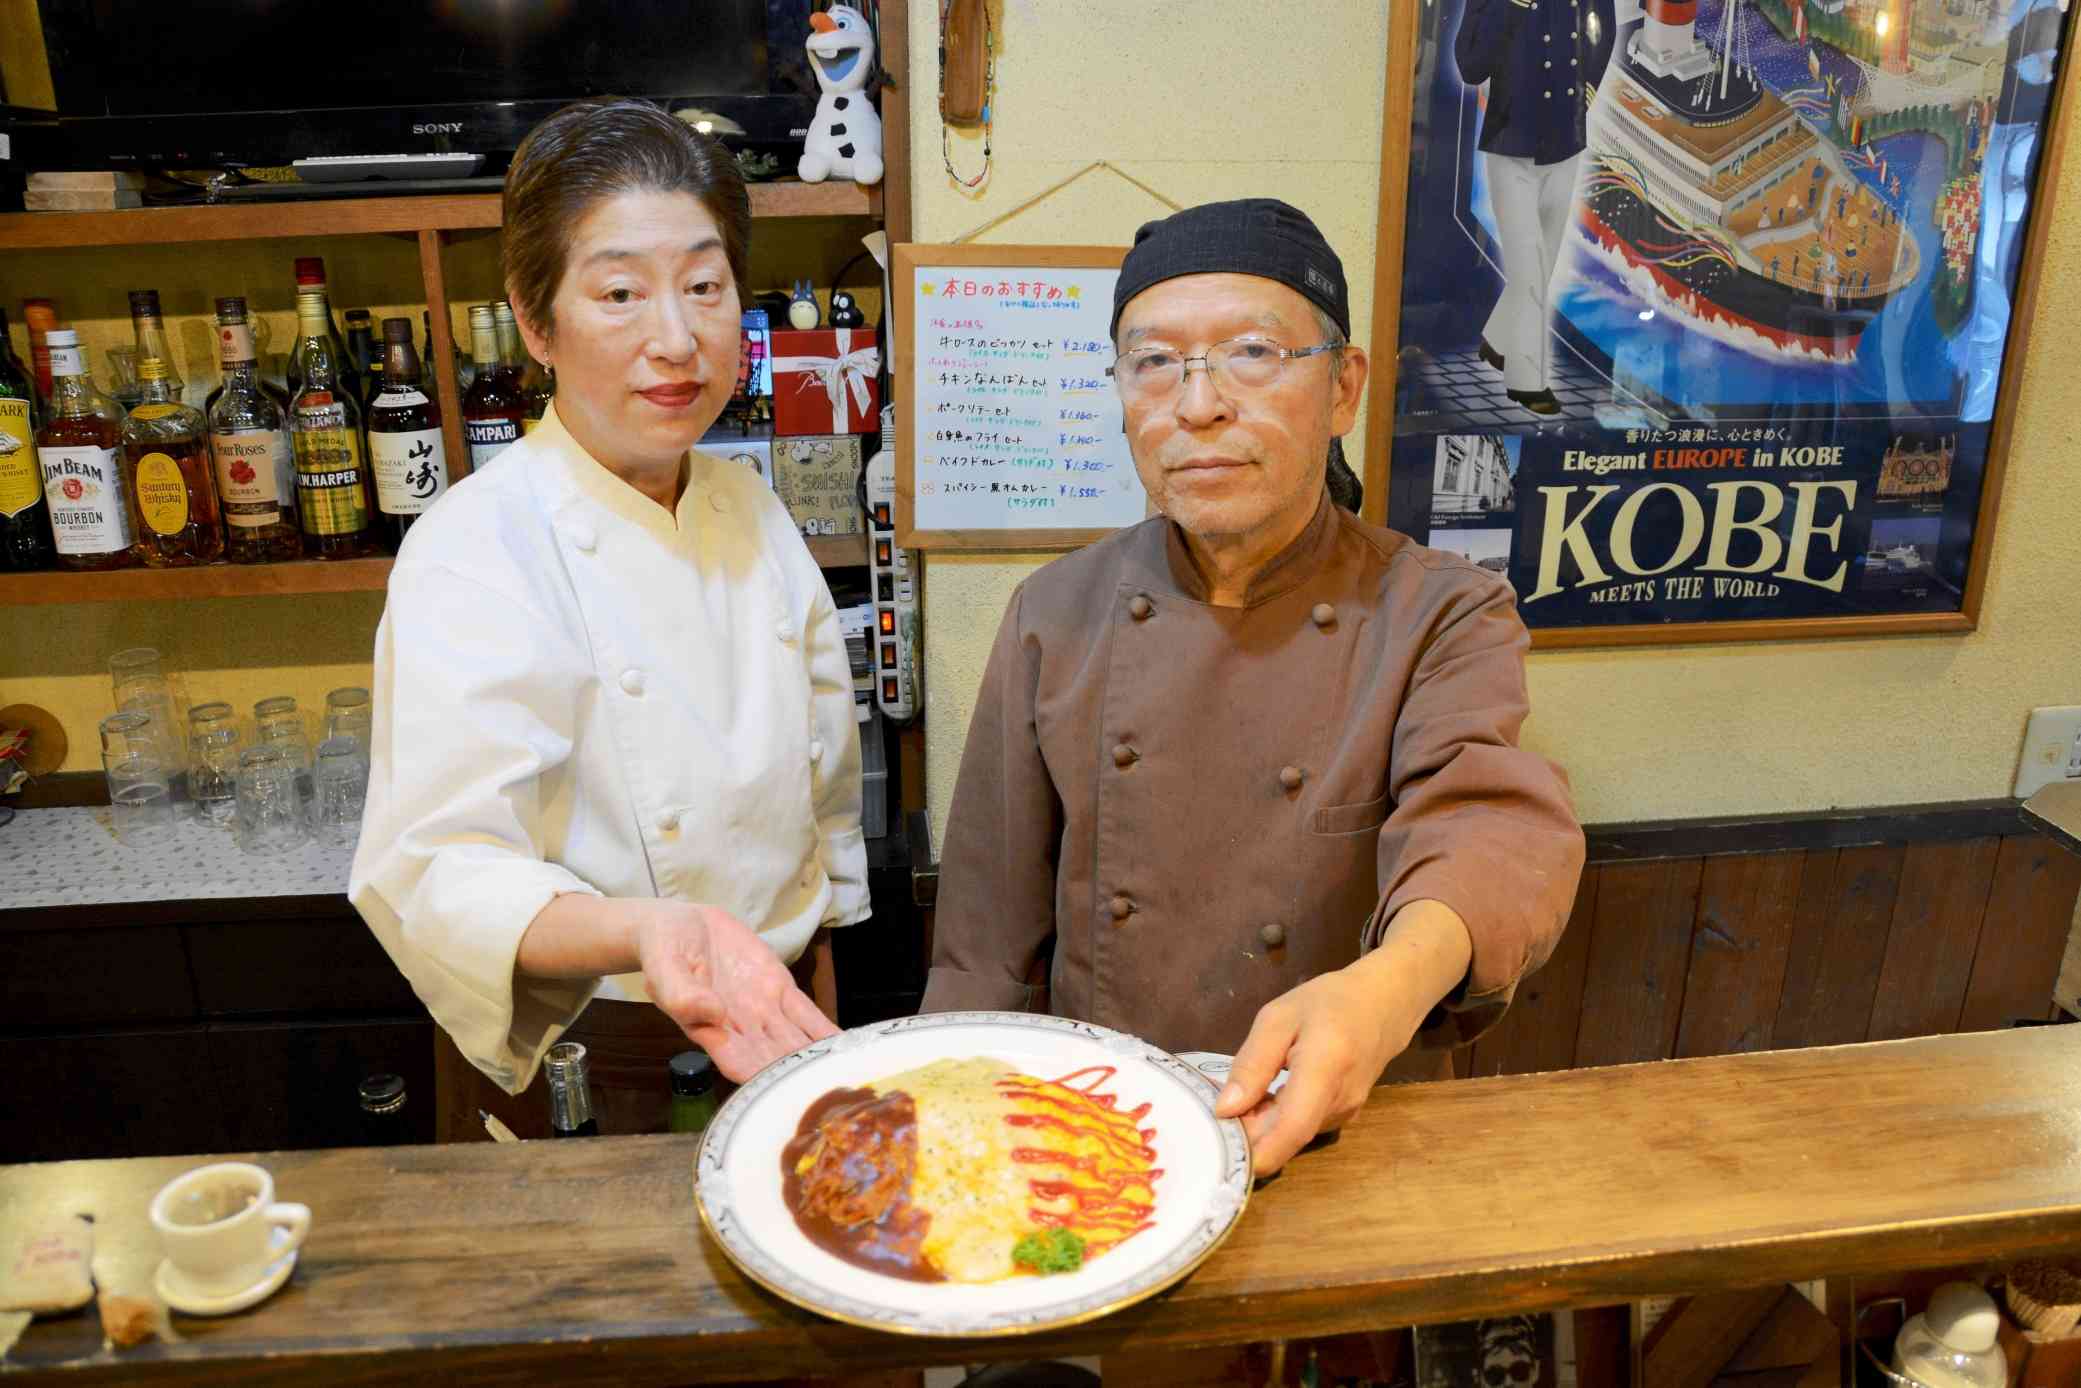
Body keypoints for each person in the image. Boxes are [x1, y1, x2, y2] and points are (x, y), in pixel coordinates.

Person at [922, 198, 1584, 1181]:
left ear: (1342, 386)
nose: (1197, 405)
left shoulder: (1441, 611)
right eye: (1153, 362)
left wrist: (1386, 985)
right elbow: (981, 946)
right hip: (1103, 1138)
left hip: (1345, 1134)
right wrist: (961, 1146)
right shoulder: (1051, 614)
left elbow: (1486, 826)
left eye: (1251, 353)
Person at [350, 98, 864, 1133]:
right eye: (620, 292)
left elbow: (821, 786)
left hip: (786, 1003)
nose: (675, 339)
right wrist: (652, 929)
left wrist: (819, 947)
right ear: (535, 322)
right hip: (606, 1051)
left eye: (705, 287)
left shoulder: (749, 506)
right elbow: (438, 869)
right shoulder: (474, 545)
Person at [1456, 0, 1616, 414]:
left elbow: (1604, 29)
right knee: (1529, 268)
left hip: (1565, 139)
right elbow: (1471, 67)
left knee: (1540, 266)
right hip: (1511, 147)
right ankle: (1526, 381)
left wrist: (1588, 90)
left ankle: (1496, 341)